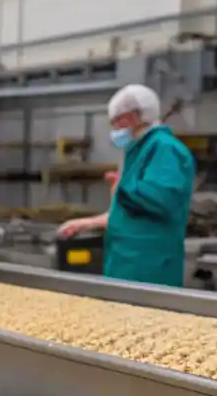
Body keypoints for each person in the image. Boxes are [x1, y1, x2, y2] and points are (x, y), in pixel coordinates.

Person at [58, 85, 194, 287]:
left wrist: (123, 187)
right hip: (127, 264)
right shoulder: (140, 150)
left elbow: (161, 200)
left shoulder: (164, 149)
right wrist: (87, 223)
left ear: (133, 117)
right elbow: (129, 214)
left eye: (117, 122)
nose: (115, 130)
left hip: (148, 267)